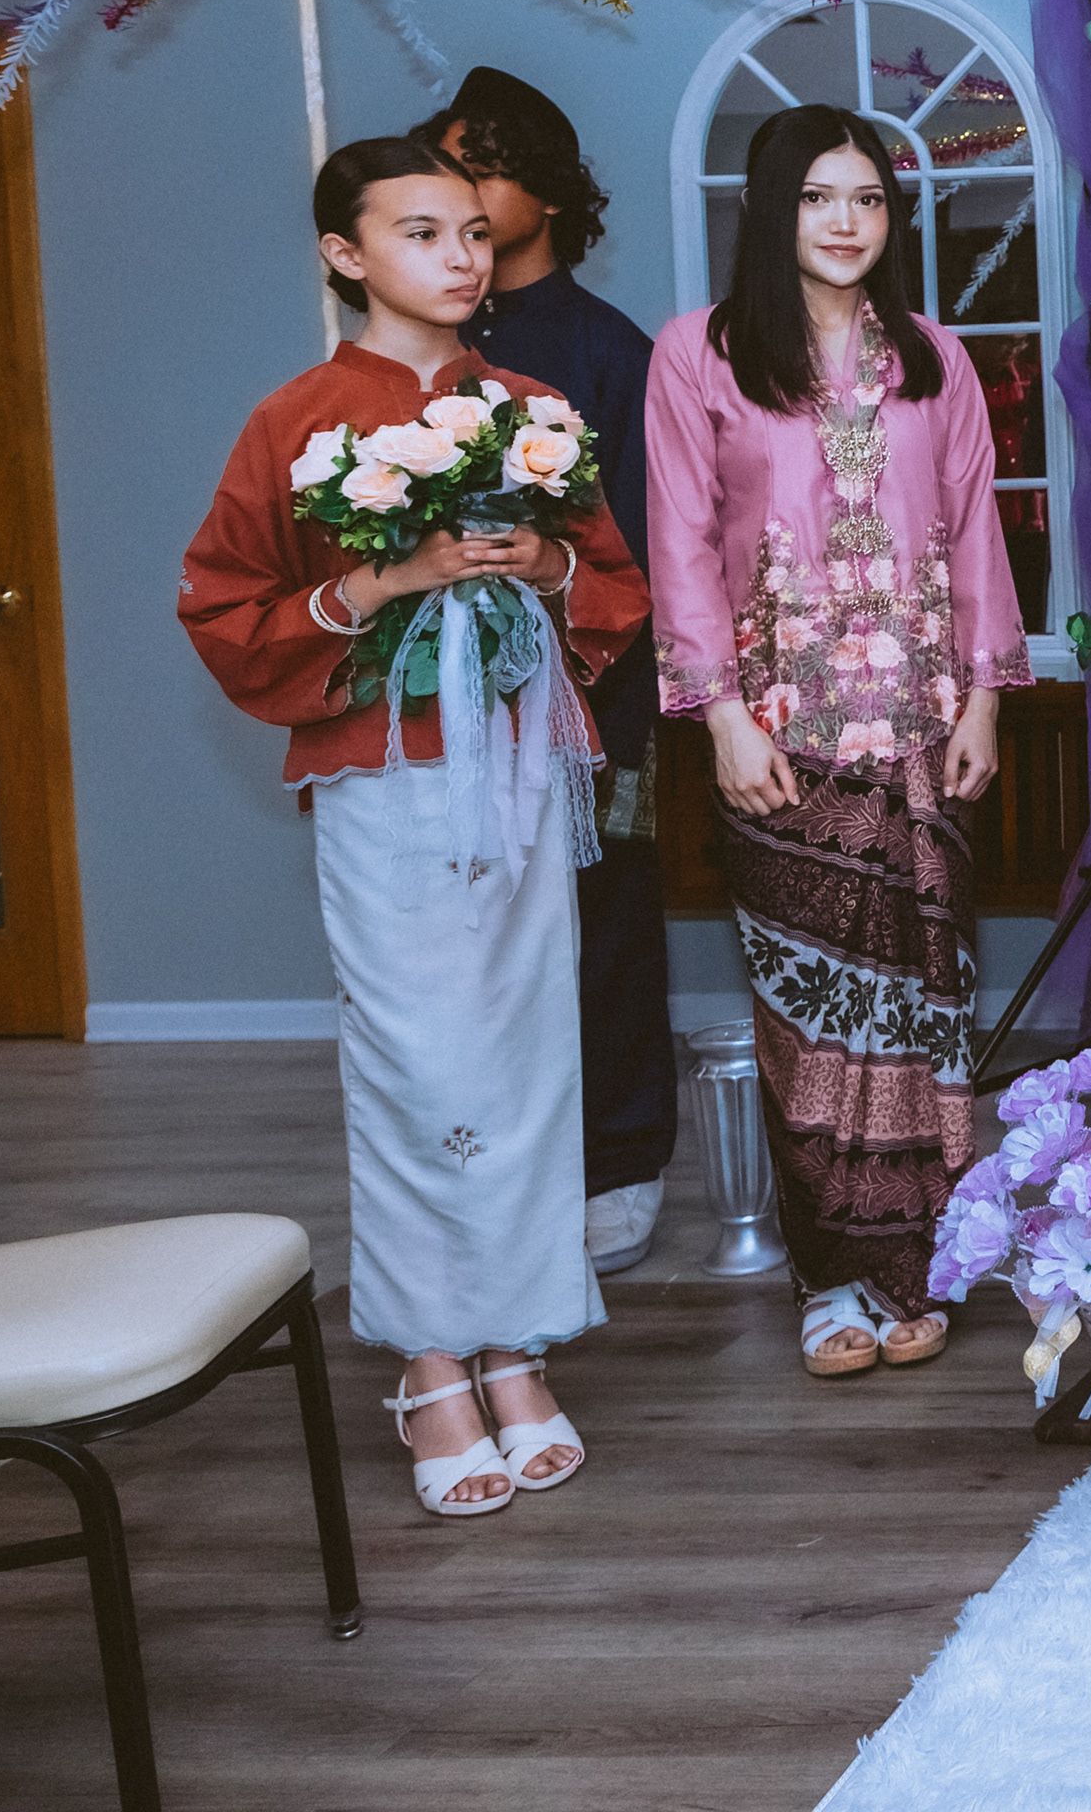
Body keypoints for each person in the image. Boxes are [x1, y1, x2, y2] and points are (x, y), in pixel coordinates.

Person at [181, 137, 646, 1518]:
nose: (461, 256)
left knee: (529, 1051)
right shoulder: (297, 419)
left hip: (521, 767)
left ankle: (519, 1340)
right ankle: (431, 1356)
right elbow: (225, 606)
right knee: (415, 1060)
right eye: (422, 232)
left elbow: (615, 589)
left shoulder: (532, 409)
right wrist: (384, 582)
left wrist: (544, 559)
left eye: (473, 232)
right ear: (345, 253)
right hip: (384, 783)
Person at [646, 105, 1029, 1379]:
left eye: (868, 197)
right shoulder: (700, 355)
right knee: (809, 1018)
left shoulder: (933, 357)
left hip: (922, 735)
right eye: (819, 196)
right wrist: (720, 715)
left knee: (924, 1003)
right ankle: (829, 1278)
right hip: (780, 740)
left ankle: (920, 1259)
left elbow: (976, 530)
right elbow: (680, 542)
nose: (847, 220)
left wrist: (984, 698)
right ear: (774, 209)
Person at [424, 65, 679, 1278]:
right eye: (446, 168)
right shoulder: (425, 345)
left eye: (484, 167)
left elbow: (643, 553)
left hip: (594, 696)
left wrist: (599, 698)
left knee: (605, 926)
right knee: (470, 943)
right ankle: (495, 1169)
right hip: (441, 703)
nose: (463, 192)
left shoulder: (606, 350)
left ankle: (621, 1162)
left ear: (551, 190)